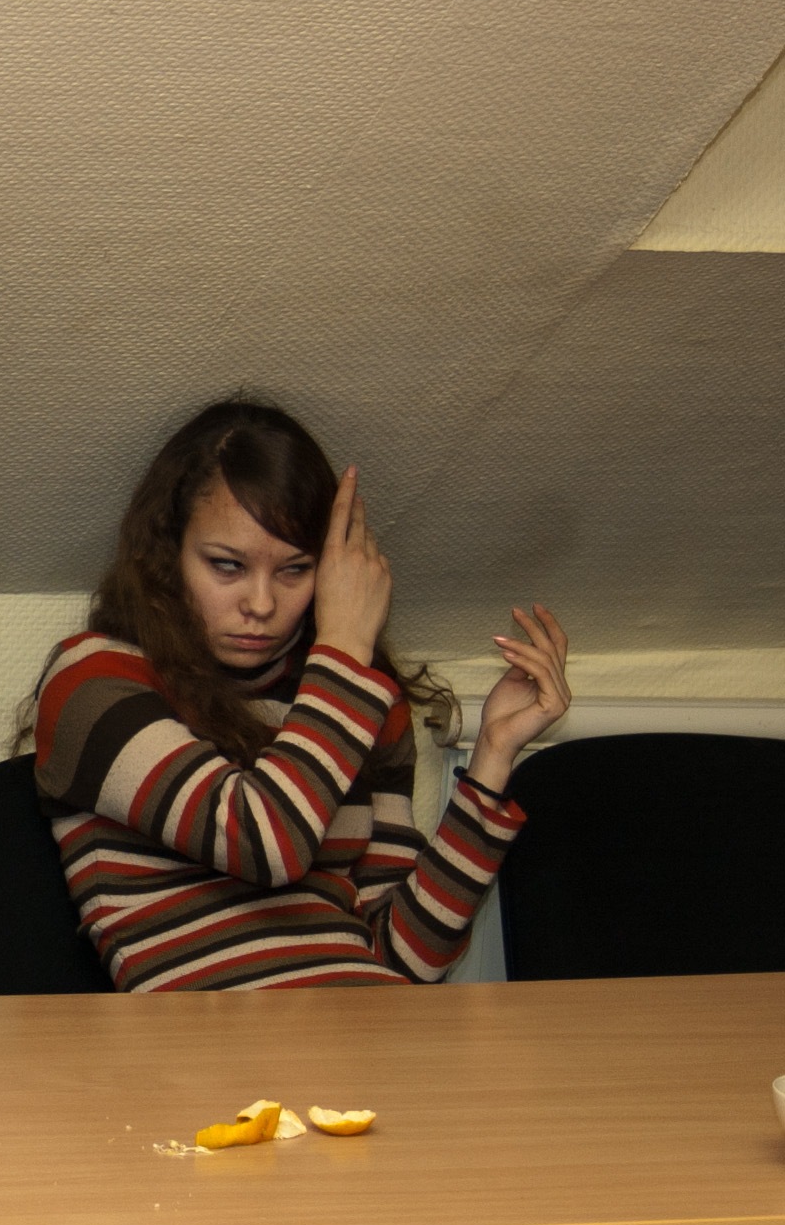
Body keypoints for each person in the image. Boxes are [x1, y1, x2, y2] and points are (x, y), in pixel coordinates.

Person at [30, 399, 572, 991]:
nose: (261, 604)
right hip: (204, 1041)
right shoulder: (93, 680)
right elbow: (264, 843)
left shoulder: (357, 700)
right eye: (227, 566)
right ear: (167, 552)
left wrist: (491, 758)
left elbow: (406, 961)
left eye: (295, 570)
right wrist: (344, 650)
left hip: (368, 1031)